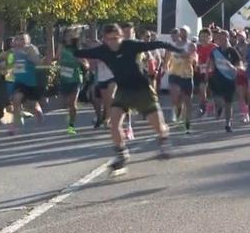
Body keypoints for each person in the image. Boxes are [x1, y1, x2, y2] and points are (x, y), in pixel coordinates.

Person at [75, 24, 182, 172]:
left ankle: (163, 140)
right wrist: (72, 41)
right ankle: (122, 154)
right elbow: (79, 52)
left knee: (158, 126)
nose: (113, 42)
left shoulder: (130, 45)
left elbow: (157, 44)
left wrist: (179, 50)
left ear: (121, 37)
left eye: (116, 38)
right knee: (114, 123)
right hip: (123, 90)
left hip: (142, 90)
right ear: (104, 40)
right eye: (109, 39)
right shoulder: (102, 51)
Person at [6, 34, 45, 135]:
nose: (20, 41)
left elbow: (37, 62)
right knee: (16, 99)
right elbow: (9, 65)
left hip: (31, 83)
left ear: (28, 41)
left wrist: (28, 53)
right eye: (18, 39)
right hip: (19, 83)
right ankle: (16, 125)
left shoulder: (31, 49)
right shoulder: (12, 52)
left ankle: (38, 111)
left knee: (31, 105)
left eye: (23, 39)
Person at [207, 29, 242, 132]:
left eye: (225, 37)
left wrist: (233, 67)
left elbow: (239, 65)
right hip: (217, 79)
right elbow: (210, 62)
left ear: (228, 38)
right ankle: (219, 108)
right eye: (220, 38)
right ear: (218, 39)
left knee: (228, 103)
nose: (223, 40)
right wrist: (208, 71)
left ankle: (228, 123)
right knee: (219, 101)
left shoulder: (233, 51)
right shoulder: (215, 51)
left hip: (229, 80)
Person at [164, 26, 197, 133]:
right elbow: (167, 58)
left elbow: (193, 57)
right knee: (175, 96)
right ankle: (175, 112)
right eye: (181, 32)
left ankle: (186, 123)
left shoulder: (191, 45)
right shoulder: (171, 46)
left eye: (184, 32)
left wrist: (189, 57)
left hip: (187, 75)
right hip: (174, 74)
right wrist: (165, 66)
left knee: (187, 101)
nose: (182, 34)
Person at [58, 29, 88, 136]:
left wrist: (82, 62)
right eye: (67, 35)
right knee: (65, 104)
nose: (68, 37)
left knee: (73, 104)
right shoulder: (61, 46)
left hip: (76, 78)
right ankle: (70, 114)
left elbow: (86, 64)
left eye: (71, 35)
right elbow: (57, 58)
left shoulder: (78, 48)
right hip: (64, 78)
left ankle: (71, 126)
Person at [194, 27, 216, 117]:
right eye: (201, 36)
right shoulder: (197, 48)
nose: (203, 38)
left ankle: (213, 107)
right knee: (202, 90)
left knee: (211, 92)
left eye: (206, 36)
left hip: (213, 73)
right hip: (201, 73)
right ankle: (203, 107)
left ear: (210, 37)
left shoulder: (214, 47)